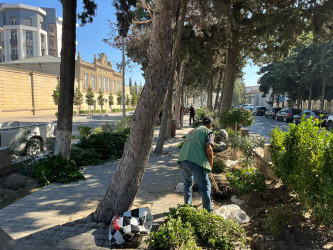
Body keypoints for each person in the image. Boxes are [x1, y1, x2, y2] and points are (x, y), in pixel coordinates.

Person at [178, 115, 214, 212]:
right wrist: (210, 165)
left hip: (184, 159)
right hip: (196, 162)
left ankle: (188, 206)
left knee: (187, 183)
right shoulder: (208, 132)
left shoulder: (192, 131)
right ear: (210, 125)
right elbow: (209, 150)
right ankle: (208, 211)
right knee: (205, 187)